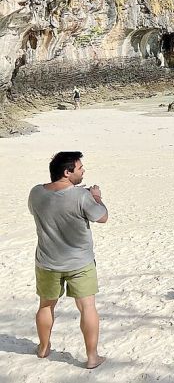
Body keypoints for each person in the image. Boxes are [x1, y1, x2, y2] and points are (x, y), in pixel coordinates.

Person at [29, 152, 109, 369]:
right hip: (79, 263)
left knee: (46, 305)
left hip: (47, 261)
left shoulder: (36, 193)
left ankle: (44, 348)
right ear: (67, 172)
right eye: (80, 168)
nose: (83, 171)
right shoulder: (81, 197)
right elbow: (102, 217)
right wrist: (96, 197)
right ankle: (92, 357)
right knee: (88, 308)